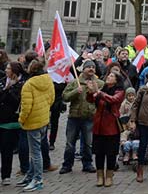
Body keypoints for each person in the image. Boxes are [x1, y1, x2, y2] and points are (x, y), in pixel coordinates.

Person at [18, 60, 55, 192]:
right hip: (44, 119)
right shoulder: (48, 80)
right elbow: (52, 99)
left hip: (32, 122)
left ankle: (38, 179)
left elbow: (26, 107)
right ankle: (30, 176)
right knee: (37, 150)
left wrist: (21, 120)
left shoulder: (28, 84)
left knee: (35, 153)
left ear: (31, 70)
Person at [60, 60, 102, 175]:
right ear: (83, 69)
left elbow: (102, 100)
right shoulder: (75, 82)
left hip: (89, 118)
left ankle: (87, 164)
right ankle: (67, 165)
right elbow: (64, 97)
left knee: (88, 143)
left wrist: (96, 91)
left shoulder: (99, 83)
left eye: (93, 67)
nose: (91, 69)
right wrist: (75, 92)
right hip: (74, 117)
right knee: (70, 143)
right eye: (89, 67)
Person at [87, 71, 125, 187]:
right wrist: (90, 92)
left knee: (111, 153)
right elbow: (90, 100)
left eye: (112, 76)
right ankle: (99, 176)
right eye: (108, 75)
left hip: (111, 127)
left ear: (117, 80)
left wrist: (99, 93)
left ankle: (109, 176)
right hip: (98, 126)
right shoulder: (102, 90)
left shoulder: (120, 91)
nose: (108, 77)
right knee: (98, 152)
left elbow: (113, 100)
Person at [0, 62, 23, 185]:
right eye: (6, 68)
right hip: (0, 119)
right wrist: (5, 89)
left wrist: (8, 91)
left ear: (14, 71)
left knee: (6, 150)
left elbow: (16, 102)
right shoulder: (3, 81)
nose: (6, 70)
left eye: (8, 68)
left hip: (10, 122)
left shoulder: (21, 84)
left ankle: (6, 175)